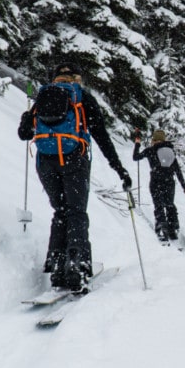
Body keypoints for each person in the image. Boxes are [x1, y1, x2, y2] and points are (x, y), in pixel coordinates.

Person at [18, 64, 133, 291]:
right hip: (74, 160)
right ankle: (76, 265)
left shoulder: (42, 97)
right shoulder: (81, 98)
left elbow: (24, 134)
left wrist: (28, 116)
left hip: (46, 163)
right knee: (76, 211)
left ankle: (58, 266)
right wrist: (119, 169)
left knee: (60, 211)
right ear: (75, 78)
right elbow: (101, 136)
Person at [132, 129, 185, 243]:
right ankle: (173, 228)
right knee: (169, 204)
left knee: (159, 205)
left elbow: (136, 157)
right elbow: (178, 171)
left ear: (154, 140)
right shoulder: (170, 152)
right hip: (170, 182)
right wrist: (184, 187)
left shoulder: (150, 150)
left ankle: (162, 229)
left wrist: (137, 143)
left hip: (156, 181)